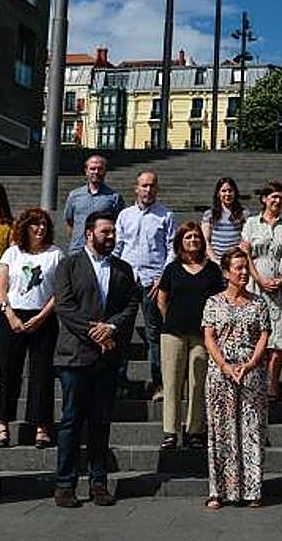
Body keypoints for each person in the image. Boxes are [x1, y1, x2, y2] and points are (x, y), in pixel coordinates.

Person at [52, 211, 139, 508]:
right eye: (105, 232)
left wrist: (111, 327)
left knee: (101, 421)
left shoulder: (123, 269)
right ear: (89, 234)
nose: (111, 236)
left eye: (113, 232)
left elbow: (130, 304)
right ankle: (65, 484)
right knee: (71, 421)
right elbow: (64, 307)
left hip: (107, 357)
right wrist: (95, 333)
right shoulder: (69, 265)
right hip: (76, 356)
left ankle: (98, 482)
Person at [202, 249, 271, 508]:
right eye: (238, 268)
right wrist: (224, 364)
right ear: (226, 272)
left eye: (245, 268)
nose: (243, 273)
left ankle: (252, 489)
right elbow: (209, 336)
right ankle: (219, 490)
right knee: (221, 429)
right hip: (220, 373)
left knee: (251, 429)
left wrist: (251, 363)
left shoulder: (258, 303)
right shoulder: (213, 302)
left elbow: (264, 335)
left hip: (251, 371)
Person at [0, 207, 63, 450]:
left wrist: (42, 316)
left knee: (42, 374)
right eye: (35, 224)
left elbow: (59, 291)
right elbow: (1, 287)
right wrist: (9, 314)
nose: (40, 228)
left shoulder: (56, 254)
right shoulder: (12, 253)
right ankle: (3, 425)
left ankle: (41, 426)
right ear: (25, 227)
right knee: (9, 372)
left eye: (44, 224)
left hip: (43, 318)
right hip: (12, 316)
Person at [156, 222, 224, 451]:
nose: (193, 240)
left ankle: (195, 431)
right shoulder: (172, 269)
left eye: (196, 237)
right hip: (173, 332)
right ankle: (170, 432)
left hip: (203, 334)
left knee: (198, 384)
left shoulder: (213, 270)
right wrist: (171, 319)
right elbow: (161, 299)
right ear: (180, 242)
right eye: (188, 237)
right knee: (172, 382)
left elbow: (219, 300)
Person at [114, 171, 176, 400]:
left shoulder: (165, 215)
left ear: (156, 189)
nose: (148, 190)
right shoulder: (125, 215)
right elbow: (118, 247)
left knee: (154, 334)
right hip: (128, 281)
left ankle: (159, 383)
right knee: (122, 333)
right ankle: (119, 382)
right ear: (136, 188)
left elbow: (172, 249)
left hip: (153, 282)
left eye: (152, 186)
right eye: (144, 186)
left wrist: (163, 277)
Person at [242, 180, 282, 401]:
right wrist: (259, 278)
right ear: (264, 199)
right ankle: (257, 383)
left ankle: (273, 385)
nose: (277, 201)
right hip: (255, 285)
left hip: (279, 288)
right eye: (273, 196)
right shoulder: (251, 223)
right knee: (257, 338)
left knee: (279, 338)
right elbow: (245, 255)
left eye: (280, 197)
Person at [63, 155, 124, 255]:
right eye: (92, 169)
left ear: (105, 171)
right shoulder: (74, 195)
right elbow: (70, 223)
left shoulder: (114, 197)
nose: (96, 172)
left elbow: (119, 225)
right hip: (78, 249)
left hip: (103, 250)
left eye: (100, 169)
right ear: (86, 171)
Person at [201, 177, 246, 264]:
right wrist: (214, 260)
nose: (227, 194)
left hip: (235, 261)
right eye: (224, 191)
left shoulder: (244, 214)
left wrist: (234, 259)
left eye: (230, 190)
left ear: (235, 192)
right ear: (218, 193)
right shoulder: (209, 214)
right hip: (215, 261)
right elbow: (205, 240)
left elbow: (244, 240)